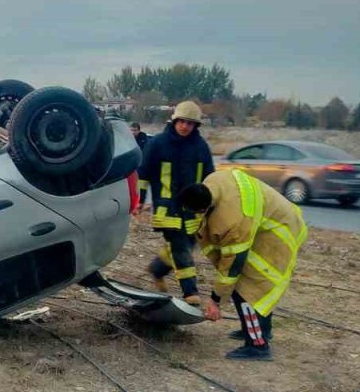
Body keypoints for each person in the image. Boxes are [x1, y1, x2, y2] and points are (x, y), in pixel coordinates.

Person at [178, 169, 307, 360]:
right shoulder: (213, 180)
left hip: (278, 233)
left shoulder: (233, 221)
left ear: (203, 209)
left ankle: (258, 345)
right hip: (269, 220)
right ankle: (259, 329)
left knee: (247, 289)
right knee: (255, 286)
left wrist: (216, 300)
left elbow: (232, 267)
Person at [138, 101, 214, 305]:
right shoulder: (157, 144)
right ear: (174, 120)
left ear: (196, 126)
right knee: (180, 247)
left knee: (187, 245)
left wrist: (209, 205)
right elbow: (142, 173)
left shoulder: (201, 147)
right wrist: (140, 199)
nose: (184, 126)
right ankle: (190, 293)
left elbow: (210, 178)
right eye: (181, 121)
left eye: (190, 123)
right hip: (167, 208)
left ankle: (157, 269)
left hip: (192, 211)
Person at [130, 121, 151, 209]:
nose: (133, 132)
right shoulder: (127, 139)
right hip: (132, 165)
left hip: (142, 165)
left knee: (142, 185)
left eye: (135, 130)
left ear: (139, 131)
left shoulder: (144, 139)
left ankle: (141, 202)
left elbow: (146, 153)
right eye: (131, 130)